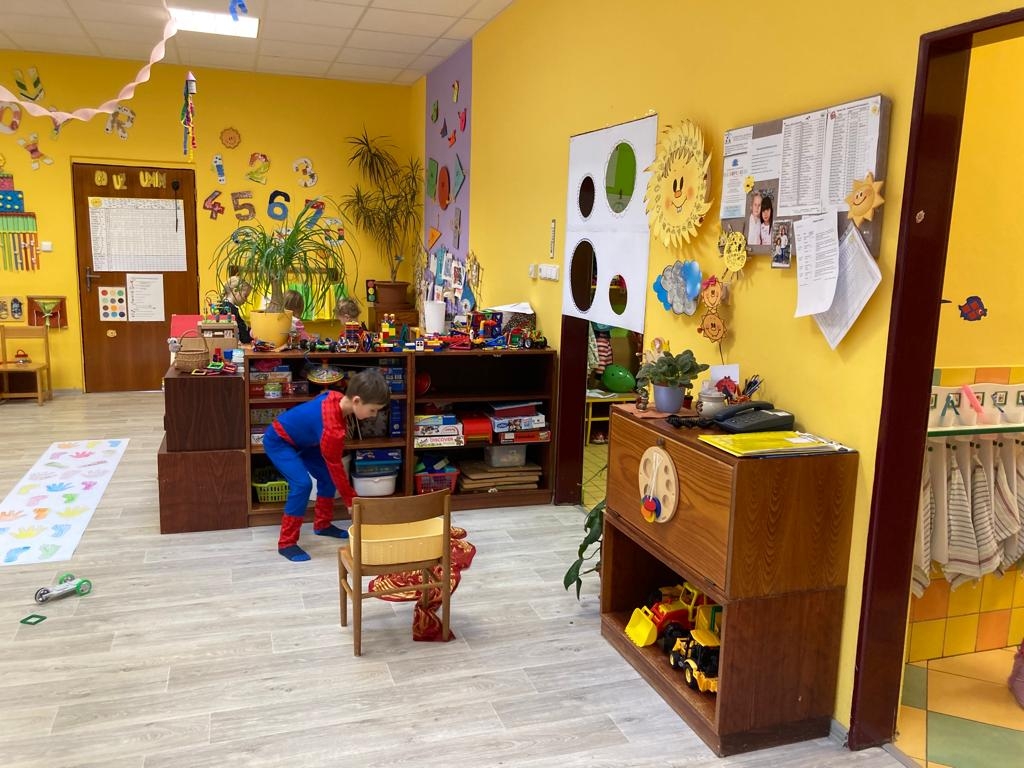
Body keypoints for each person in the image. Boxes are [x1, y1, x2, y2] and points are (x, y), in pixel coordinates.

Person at [263, 369, 391, 561]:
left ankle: (322, 525)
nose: (373, 415)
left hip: (306, 441)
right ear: (356, 401)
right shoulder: (332, 429)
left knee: (328, 479)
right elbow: (335, 466)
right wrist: (350, 499)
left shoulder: (336, 397)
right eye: (372, 410)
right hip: (279, 440)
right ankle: (286, 543)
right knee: (302, 485)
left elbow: (322, 398)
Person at [221, 276, 252, 344]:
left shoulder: (223, 306)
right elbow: (242, 335)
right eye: (245, 296)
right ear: (235, 291)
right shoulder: (229, 310)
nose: (246, 300)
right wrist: (252, 333)